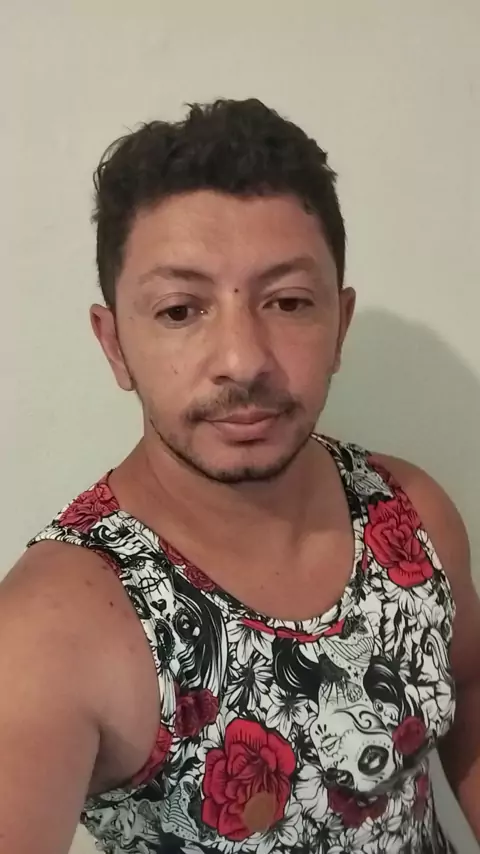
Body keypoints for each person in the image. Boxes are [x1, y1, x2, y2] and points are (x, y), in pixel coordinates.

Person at [1, 98, 479, 854]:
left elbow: (468, 687)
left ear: (339, 324)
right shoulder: (52, 632)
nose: (243, 360)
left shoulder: (410, 516)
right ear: (115, 343)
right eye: (180, 310)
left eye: (287, 301)